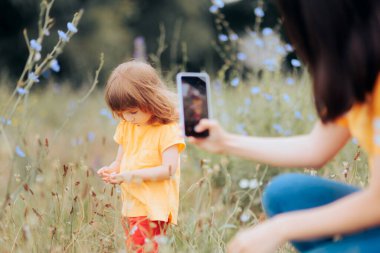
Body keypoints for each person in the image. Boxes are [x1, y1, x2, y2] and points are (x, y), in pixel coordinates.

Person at [190, 0, 380, 252]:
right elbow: (315, 149)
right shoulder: (359, 73)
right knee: (286, 192)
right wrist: (225, 141)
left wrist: (279, 228)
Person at [97, 60, 185, 253]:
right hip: (131, 203)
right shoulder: (127, 126)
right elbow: (121, 160)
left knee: (142, 248)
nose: (128, 118)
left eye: (132, 112)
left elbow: (168, 170)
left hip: (153, 207)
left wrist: (129, 176)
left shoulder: (167, 130)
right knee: (137, 248)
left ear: (150, 99)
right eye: (120, 114)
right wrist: (113, 169)